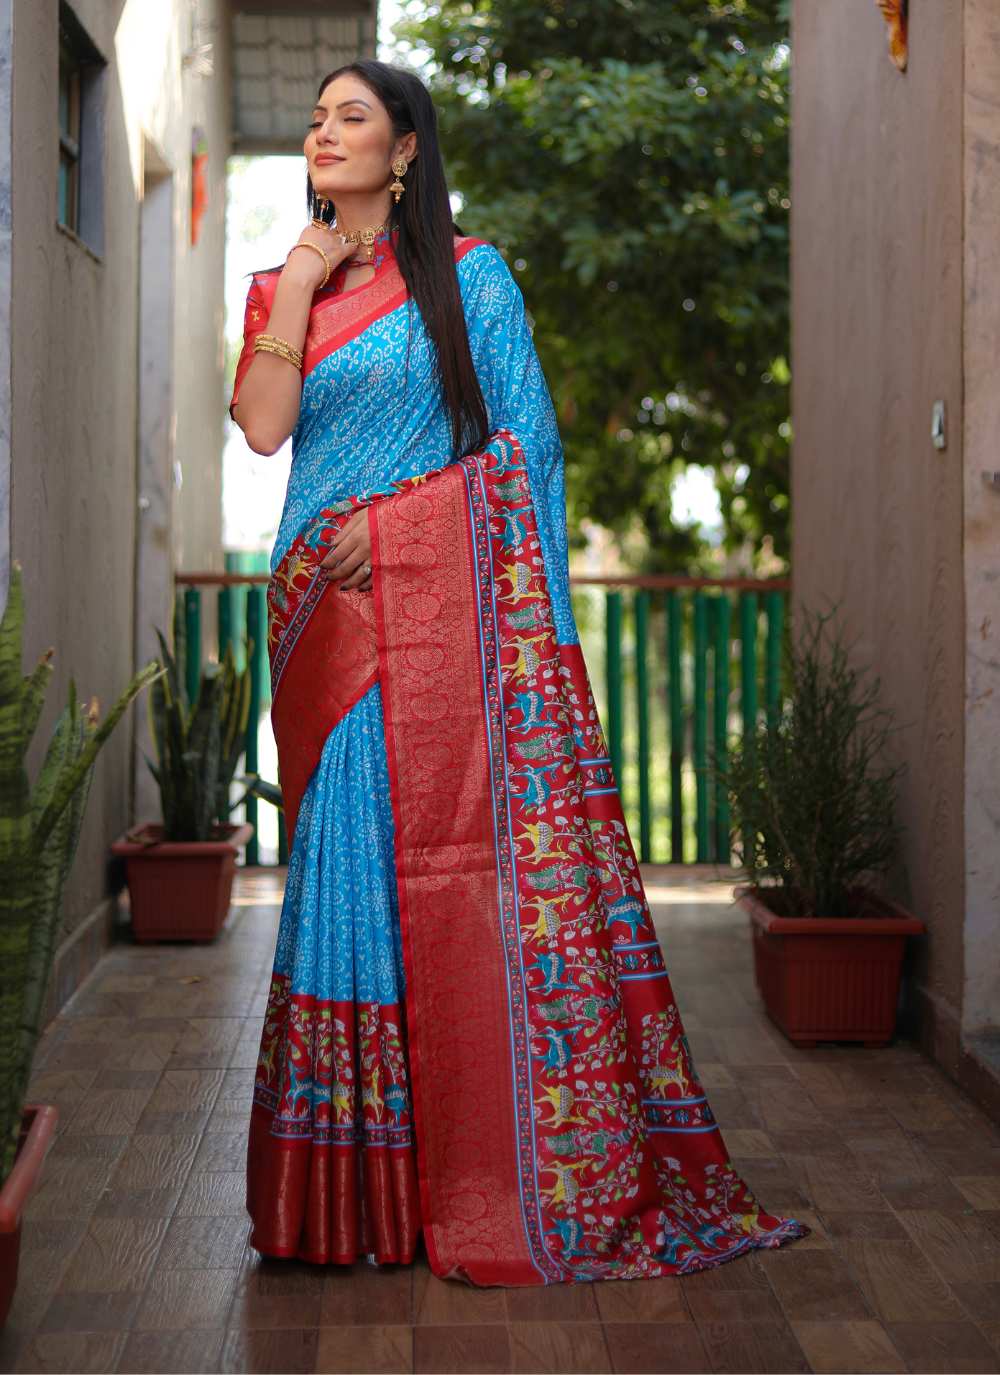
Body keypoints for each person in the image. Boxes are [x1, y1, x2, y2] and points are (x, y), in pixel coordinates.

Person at [232, 57, 805, 1286]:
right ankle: (340, 1199)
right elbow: (266, 426)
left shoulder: (471, 280)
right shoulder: (282, 288)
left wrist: (394, 535)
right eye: (316, 118)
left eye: (352, 118)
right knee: (336, 876)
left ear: (406, 151)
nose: (322, 133)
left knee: (429, 881)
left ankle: (452, 1185)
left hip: (431, 629)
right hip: (318, 635)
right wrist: (303, 280)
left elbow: (525, 448)